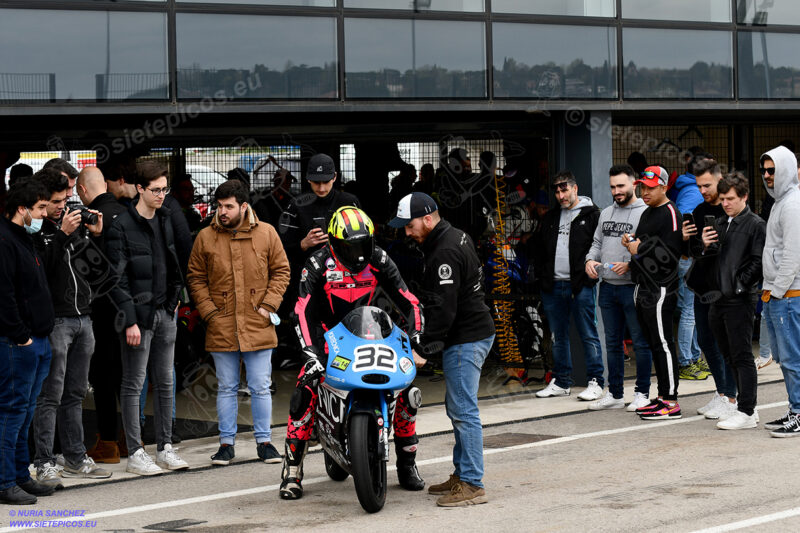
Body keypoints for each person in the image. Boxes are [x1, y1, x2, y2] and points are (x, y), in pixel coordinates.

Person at [280, 206, 425, 500]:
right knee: (304, 393)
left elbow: (408, 300)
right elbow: (301, 310)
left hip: (369, 332)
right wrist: (310, 352)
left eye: (363, 244)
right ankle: (292, 472)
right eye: (351, 246)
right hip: (326, 336)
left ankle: (407, 464)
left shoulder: (379, 259)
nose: (359, 253)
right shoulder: (317, 263)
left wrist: (416, 336)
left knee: (406, 392)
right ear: (334, 243)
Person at [390, 192, 495, 507]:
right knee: (458, 408)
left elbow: (443, 311)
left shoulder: (444, 252)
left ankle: (473, 483)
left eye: (409, 226)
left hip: (466, 338)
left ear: (427, 218)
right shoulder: (455, 235)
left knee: (463, 411)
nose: (406, 233)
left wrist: (423, 348)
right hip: (471, 332)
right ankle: (462, 474)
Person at [187, 179, 290, 466]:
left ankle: (265, 442)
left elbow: (281, 271)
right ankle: (226, 444)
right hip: (221, 322)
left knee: (260, 385)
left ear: (244, 207)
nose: (222, 212)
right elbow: (195, 277)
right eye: (219, 206)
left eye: (228, 206)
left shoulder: (267, 233)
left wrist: (268, 305)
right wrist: (208, 311)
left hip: (258, 321)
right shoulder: (205, 237)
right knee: (226, 387)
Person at [105, 160, 188, 474]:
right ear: (139, 188)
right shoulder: (121, 226)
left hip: (166, 310)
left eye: (164, 189)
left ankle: (165, 446)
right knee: (133, 382)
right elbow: (115, 279)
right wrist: (129, 319)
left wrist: (174, 300)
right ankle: (137, 452)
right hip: (138, 317)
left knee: (165, 381)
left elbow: (176, 258)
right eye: (155, 190)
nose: (161, 195)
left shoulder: (166, 218)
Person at [31, 168, 111, 486]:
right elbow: (40, 274)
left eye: (66, 199)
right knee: (50, 394)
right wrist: (62, 234)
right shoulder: (35, 227)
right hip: (56, 320)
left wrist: (96, 234)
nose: (62, 206)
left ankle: (75, 457)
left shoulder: (73, 220)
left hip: (83, 317)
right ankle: (44, 460)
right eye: (55, 201)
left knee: (76, 393)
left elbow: (94, 266)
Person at [0, 178, 56, 504]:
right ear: (22, 209)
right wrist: (21, 337)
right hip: (17, 343)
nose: (43, 214)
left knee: (24, 413)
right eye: (38, 208)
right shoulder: (6, 241)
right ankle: (6, 481)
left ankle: (20, 476)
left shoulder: (24, 238)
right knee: (11, 412)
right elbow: (4, 295)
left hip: (36, 340)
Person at [697, 172, 765, 430]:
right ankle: (743, 407)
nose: (725, 203)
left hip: (739, 299)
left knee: (742, 354)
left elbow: (758, 262)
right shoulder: (722, 222)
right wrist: (704, 245)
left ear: (744, 197)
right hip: (719, 298)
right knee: (729, 354)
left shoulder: (755, 225)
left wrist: (738, 287)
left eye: (730, 198)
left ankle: (747, 410)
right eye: (723, 198)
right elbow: (711, 259)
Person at [585, 164, 652, 411]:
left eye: (621, 186)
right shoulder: (605, 213)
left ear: (634, 184)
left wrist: (631, 265)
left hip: (632, 287)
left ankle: (642, 393)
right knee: (612, 343)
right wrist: (589, 260)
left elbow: (652, 250)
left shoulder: (646, 212)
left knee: (640, 341)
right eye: (613, 187)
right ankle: (614, 393)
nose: (617, 191)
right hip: (607, 287)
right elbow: (596, 242)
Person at [534, 171, 604, 401]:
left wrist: (588, 280)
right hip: (553, 285)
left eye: (564, 190)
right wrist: (543, 279)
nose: (561, 195)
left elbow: (600, 247)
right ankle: (562, 381)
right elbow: (541, 249)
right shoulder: (552, 217)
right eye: (557, 191)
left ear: (575, 188)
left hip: (579, 285)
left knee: (588, 333)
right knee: (558, 336)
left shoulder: (593, 214)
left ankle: (596, 381)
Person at [623, 166, 683, 420]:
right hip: (643, 285)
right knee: (652, 343)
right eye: (642, 187)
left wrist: (639, 248)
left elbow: (670, 254)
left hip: (660, 287)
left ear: (663, 186)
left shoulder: (670, 212)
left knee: (664, 344)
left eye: (649, 187)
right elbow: (643, 242)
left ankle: (670, 400)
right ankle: (662, 396)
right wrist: (631, 242)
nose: (644, 192)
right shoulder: (648, 212)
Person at [76, 167, 127, 463]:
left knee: (103, 378)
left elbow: (90, 268)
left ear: (82, 191)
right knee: (128, 379)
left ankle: (108, 443)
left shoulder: (90, 219)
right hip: (130, 309)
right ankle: (131, 439)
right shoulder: (129, 214)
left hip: (100, 310)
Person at [683, 159, 738, 420]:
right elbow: (690, 252)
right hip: (703, 286)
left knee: (725, 341)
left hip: (726, 287)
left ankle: (732, 396)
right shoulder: (697, 210)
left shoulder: (731, 209)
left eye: (707, 185)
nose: (703, 190)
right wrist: (695, 242)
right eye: (699, 186)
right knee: (706, 340)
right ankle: (722, 391)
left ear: (719, 179)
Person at [758, 146, 800, 437]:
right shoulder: (780, 202)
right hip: (778, 294)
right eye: (764, 170)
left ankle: (798, 413)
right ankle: (794, 408)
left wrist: (778, 291)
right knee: (786, 359)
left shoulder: (792, 204)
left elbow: (793, 255)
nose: (767, 175)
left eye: (772, 170)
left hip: (788, 295)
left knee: (792, 358)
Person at [669, 153, 708, 380]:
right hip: (687, 259)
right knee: (689, 312)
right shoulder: (693, 191)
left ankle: (693, 357)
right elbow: (683, 218)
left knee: (690, 310)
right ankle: (685, 361)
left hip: (688, 258)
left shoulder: (688, 187)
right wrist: (691, 246)